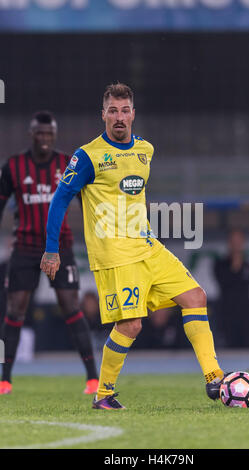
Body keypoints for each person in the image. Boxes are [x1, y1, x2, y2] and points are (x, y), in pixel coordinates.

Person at [41, 83, 226, 410]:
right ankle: (103, 394)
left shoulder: (145, 150)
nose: (119, 117)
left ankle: (215, 378)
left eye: (125, 110)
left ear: (133, 114)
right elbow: (60, 200)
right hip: (115, 255)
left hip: (148, 247)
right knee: (131, 325)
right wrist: (51, 249)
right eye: (113, 110)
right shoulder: (88, 156)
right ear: (103, 115)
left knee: (196, 296)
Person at [0, 111, 98, 395]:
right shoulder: (13, 167)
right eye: (40, 133)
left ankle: (92, 378)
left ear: (54, 135)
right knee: (15, 309)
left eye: (49, 134)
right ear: (31, 134)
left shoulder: (66, 163)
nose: (44, 138)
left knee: (70, 305)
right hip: (25, 248)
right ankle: (5, 379)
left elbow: (86, 201)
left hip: (61, 247)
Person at [213, 229, 249, 347]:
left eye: (239, 241)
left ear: (243, 243)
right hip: (227, 314)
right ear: (229, 243)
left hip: (246, 315)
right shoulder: (220, 264)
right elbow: (223, 282)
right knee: (229, 349)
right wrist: (235, 267)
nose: (236, 244)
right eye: (234, 241)